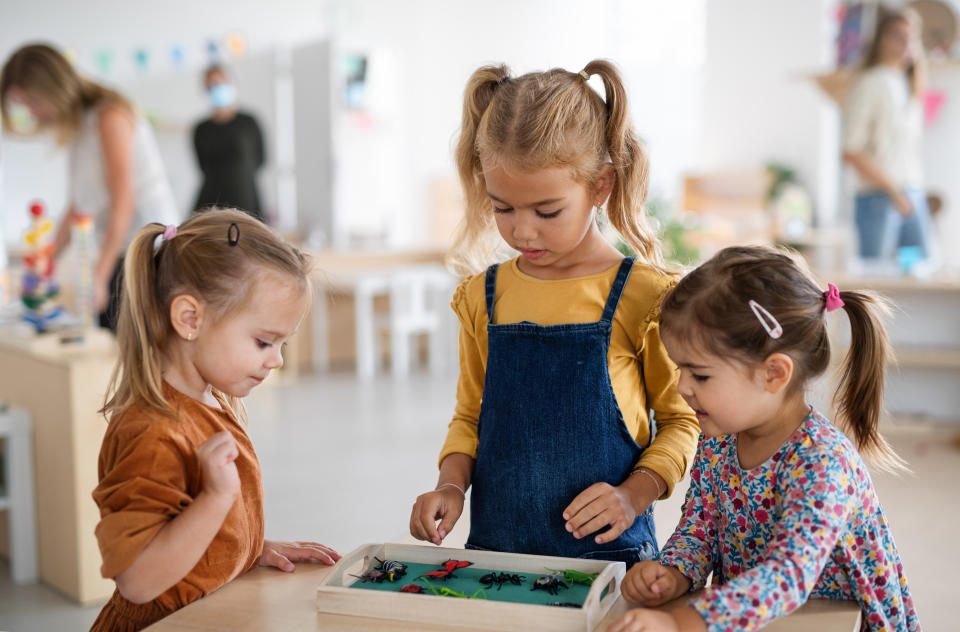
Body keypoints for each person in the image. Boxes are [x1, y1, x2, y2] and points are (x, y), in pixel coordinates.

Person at [408, 60, 699, 565]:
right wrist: (451, 485)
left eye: (547, 211)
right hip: (498, 562)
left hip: (611, 561)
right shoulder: (483, 296)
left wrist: (635, 494)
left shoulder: (644, 296)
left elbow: (681, 420)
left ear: (601, 186)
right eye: (503, 207)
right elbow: (470, 415)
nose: (523, 232)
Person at [609, 246, 919, 632]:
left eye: (699, 375)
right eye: (679, 369)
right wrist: (673, 572)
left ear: (774, 373)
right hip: (752, 620)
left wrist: (683, 623)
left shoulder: (822, 461)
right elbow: (699, 527)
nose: (681, 386)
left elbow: (789, 575)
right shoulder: (718, 438)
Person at [89, 209, 339, 631]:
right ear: (190, 319)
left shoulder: (209, 400)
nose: (277, 360)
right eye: (263, 341)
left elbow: (185, 537)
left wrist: (244, 549)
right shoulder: (152, 432)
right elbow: (137, 580)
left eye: (282, 343)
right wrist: (216, 499)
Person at [0, 43, 179, 330]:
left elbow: (123, 201)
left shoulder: (109, 116)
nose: (33, 113)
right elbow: (79, 204)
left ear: (51, 88)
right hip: (117, 251)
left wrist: (99, 275)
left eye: (32, 102)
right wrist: (45, 264)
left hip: (144, 252)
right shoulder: (79, 125)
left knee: (130, 339)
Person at [843, 7, 934, 268]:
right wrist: (894, 192)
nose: (906, 45)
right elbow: (851, 150)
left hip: (912, 192)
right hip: (878, 197)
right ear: (881, 39)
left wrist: (907, 193)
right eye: (898, 36)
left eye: (912, 37)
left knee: (924, 271)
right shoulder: (869, 84)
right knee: (877, 279)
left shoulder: (910, 86)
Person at [192, 65, 266, 221]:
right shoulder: (201, 129)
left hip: (246, 199)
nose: (218, 88)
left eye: (222, 83)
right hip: (211, 201)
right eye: (213, 85)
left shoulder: (249, 122)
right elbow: (202, 166)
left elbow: (261, 159)